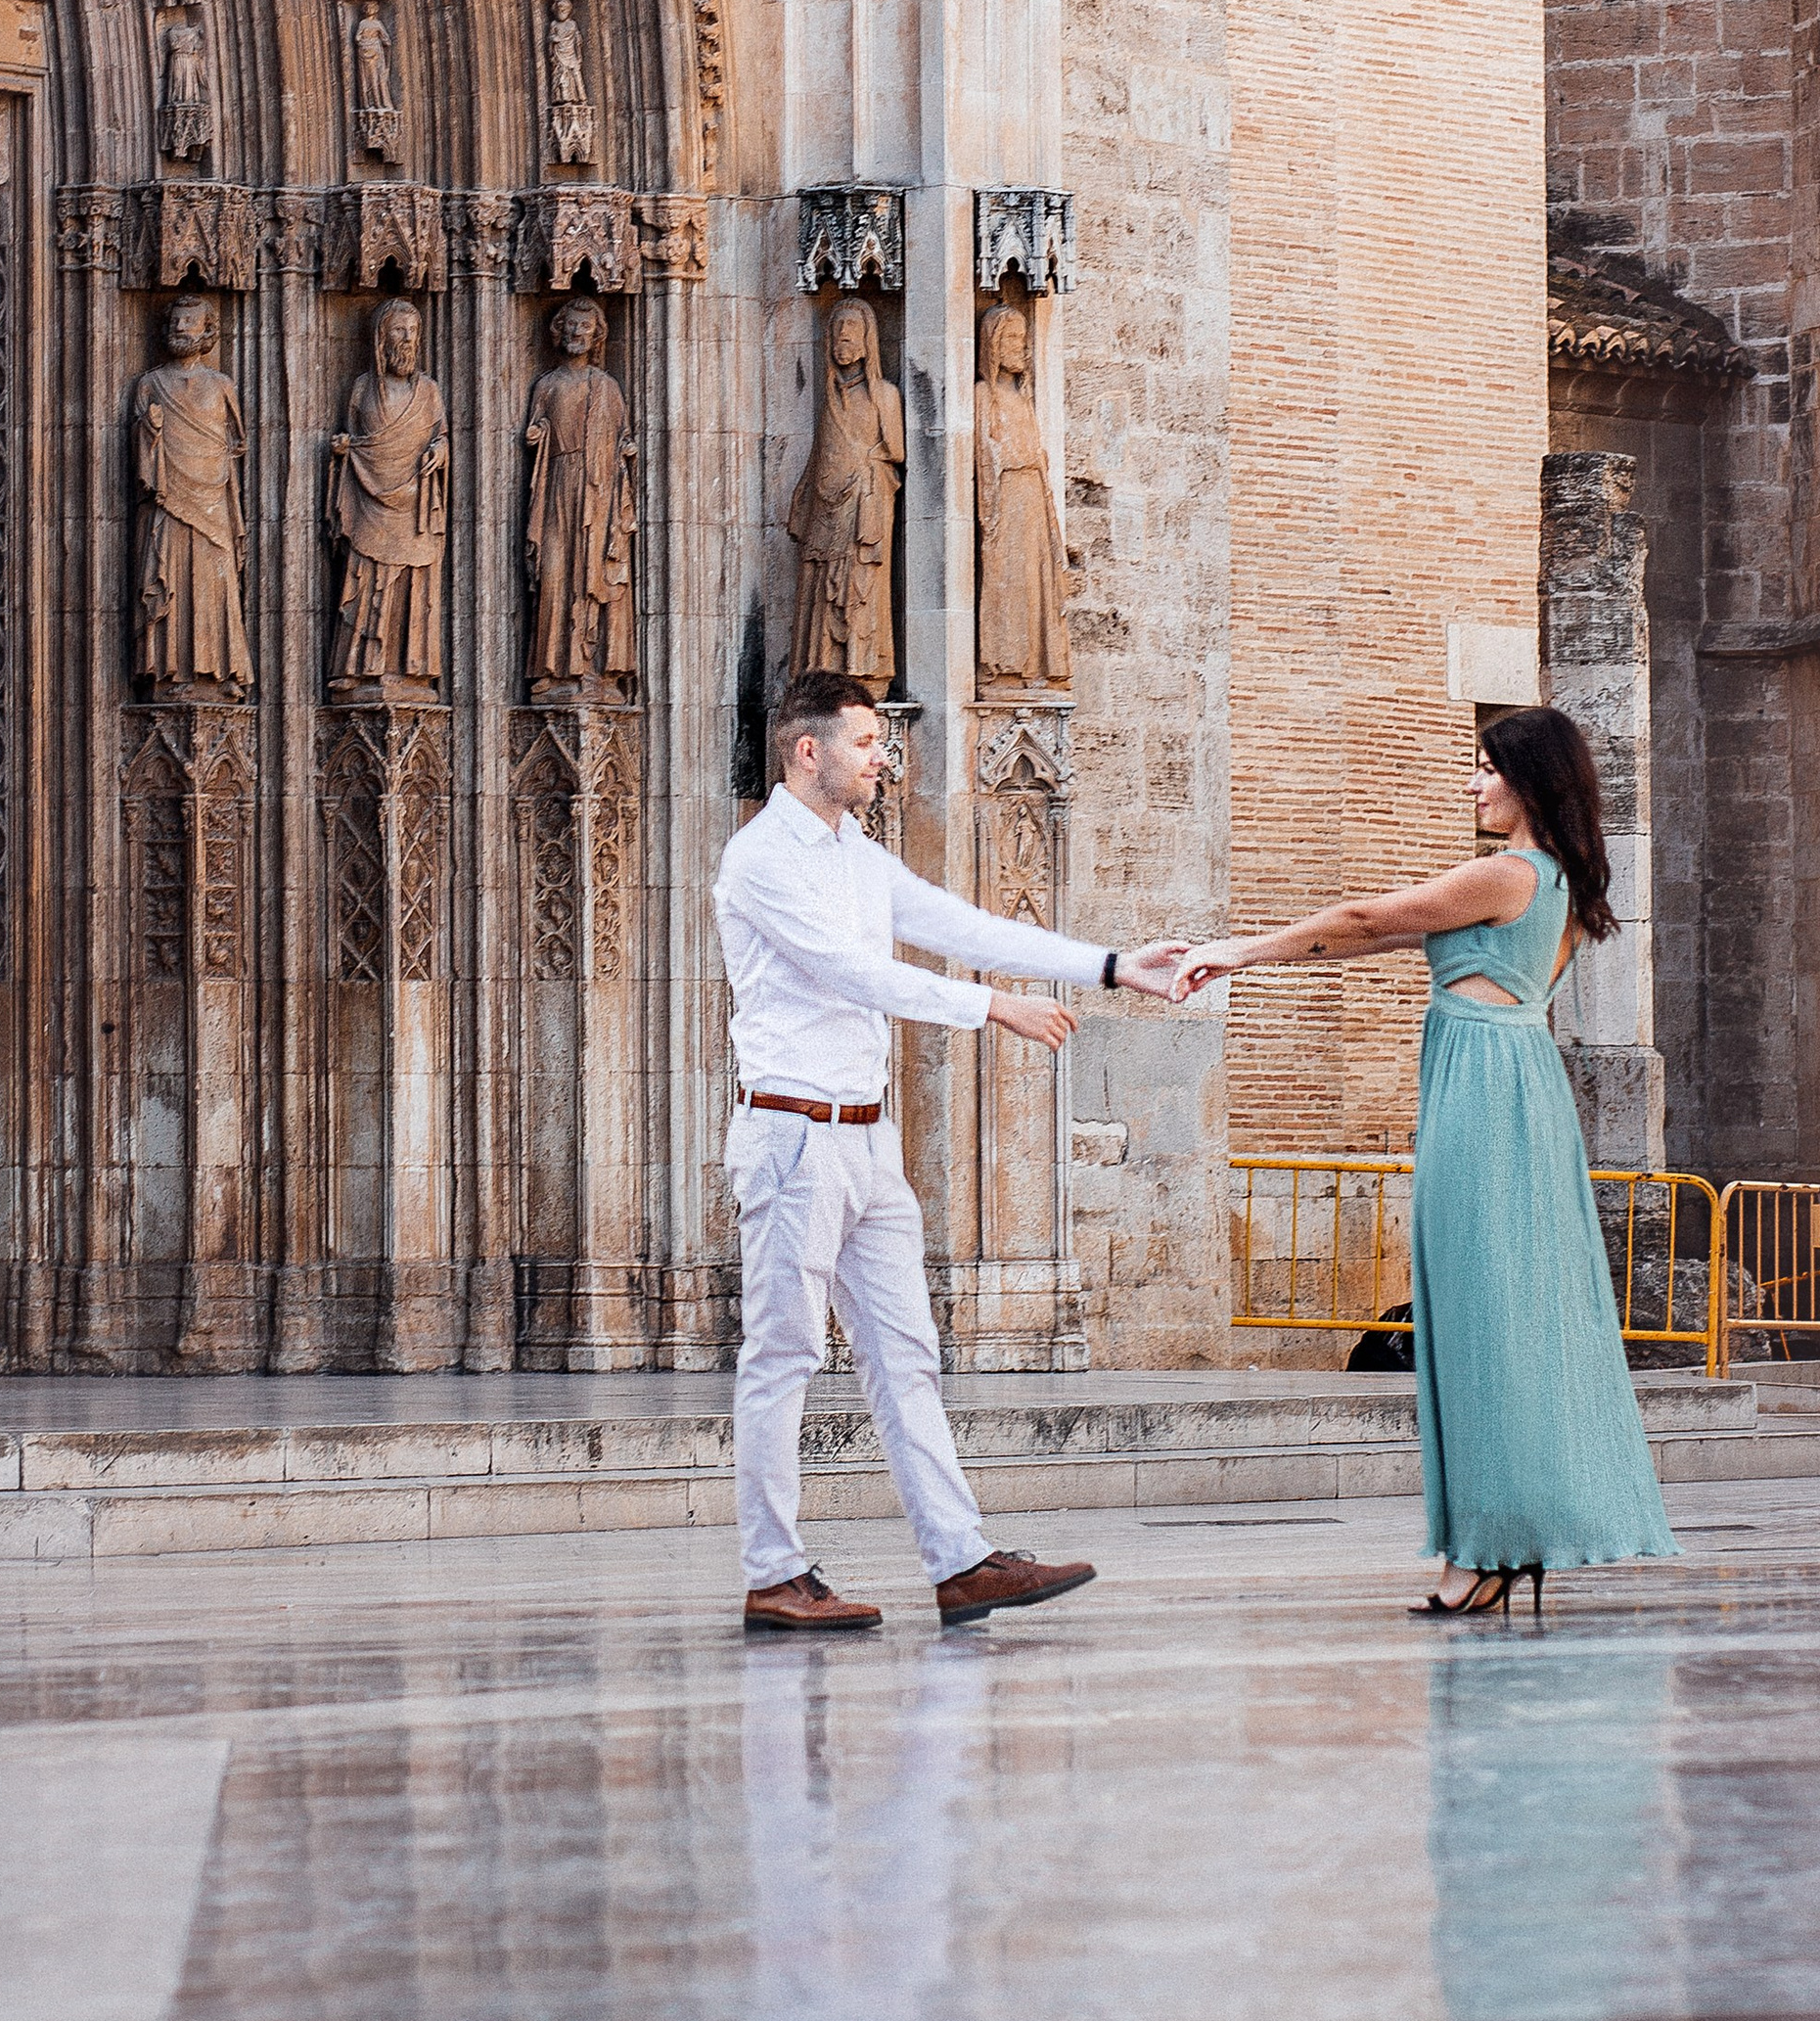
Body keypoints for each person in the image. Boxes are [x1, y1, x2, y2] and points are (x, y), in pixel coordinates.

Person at [715, 672, 1191, 1633]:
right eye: (864, 742)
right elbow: (848, 973)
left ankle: (960, 1560)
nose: (882, 756)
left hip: (865, 1140)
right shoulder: (759, 860)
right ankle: (774, 1571)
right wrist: (991, 1007)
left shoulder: (856, 854)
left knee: (907, 1355)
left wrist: (1107, 966)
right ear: (807, 751)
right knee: (784, 1353)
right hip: (790, 1135)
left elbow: (956, 925)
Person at [1177, 707, 1677, 1617]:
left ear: (1527, 782)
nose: (1473, 783)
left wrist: (1234, 953)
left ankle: (1488, 1545)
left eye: (1486, 768)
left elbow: (1365, 914)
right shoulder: (1562, 881)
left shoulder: (1507, 873)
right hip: (1515, 1086)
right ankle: (1498, 1540)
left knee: (1479, 1318)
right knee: (1502, 1316)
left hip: (1484, 1091)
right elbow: (1374, 936)